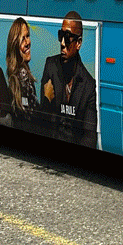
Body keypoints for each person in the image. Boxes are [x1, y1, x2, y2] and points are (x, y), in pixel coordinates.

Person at [39, 11, 98, 148]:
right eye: (61, 36)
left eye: (68, 37)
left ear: (78, 43)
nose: (62, 43)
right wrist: (47, 100)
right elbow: (41, 121)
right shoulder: (51, 66)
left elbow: (90, 136)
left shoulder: (89, 85)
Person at [5, 16, 38, 124]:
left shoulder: (16, 74)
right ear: (15, 45)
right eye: (22, 39)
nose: (28, 42)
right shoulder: (23, 76)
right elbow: (33, 118)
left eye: (27, 36)